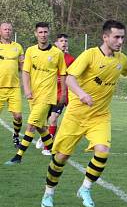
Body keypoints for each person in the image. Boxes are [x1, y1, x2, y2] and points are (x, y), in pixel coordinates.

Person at [40, 20, 127, 207]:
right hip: (76, 115)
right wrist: (82, 94)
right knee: (61, 157)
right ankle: (48, 193)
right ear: (105, 37)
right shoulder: (90, 55)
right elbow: (70, 79)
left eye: (122, 37)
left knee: (103, 151)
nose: (120, 41)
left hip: (100, 116)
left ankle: (85, 188)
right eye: (116, 37)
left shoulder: (120, 59)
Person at [5, 22, 66, 164]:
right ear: (35, 34)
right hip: (33, 95)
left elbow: (63, 74)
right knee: (40, 127)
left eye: (45, 32)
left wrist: (63, 93)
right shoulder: (31, 51)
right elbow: (25, 72)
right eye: (40, 32)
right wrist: (27, 90)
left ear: (49, 33)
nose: (43, 35)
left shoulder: (57, 53)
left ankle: (18, 156)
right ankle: (53, 152)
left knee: (31, 124)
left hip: (47, 96)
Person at [36, 34, 76, 151]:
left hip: (61, 95)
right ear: (56, 43)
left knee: (53, 118)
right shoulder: (49, 56)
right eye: (61, 41)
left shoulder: (71, 59)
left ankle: (47, 147)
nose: (64, 43)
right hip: (47, 93)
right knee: (43, 121)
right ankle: (45, 136)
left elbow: (73, 77)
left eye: (66, 41)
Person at [0, 22, 24, 148]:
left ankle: (15, 135)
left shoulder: (18, 47)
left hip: (14, 87)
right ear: (0, 31)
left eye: (9, 29)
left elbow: (23, 67)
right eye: (5, 29)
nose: (7, 31)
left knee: (18, 116)